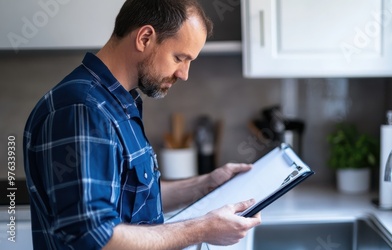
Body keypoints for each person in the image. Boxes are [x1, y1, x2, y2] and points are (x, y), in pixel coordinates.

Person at [22, 0, 261, 249]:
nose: (184, 74)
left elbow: (134, 195)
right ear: (145, 37)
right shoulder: (83, 109)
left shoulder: (118, 103)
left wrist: (206, 184)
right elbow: (94, 237)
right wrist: (202, 229)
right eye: (180, 57)